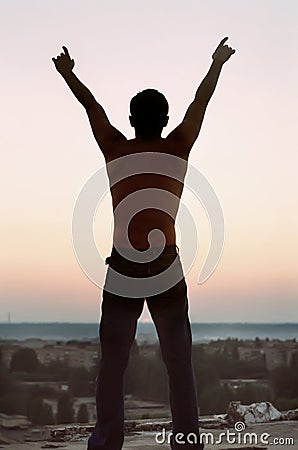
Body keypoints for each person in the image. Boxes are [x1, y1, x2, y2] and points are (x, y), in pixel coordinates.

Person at [52, 37, 235, 450]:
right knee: (178, 364)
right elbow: (199, 105)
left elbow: (92, 107)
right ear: (165, 118)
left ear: (131, 120)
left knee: (113, 365)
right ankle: (187, 442)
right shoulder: (178, 147)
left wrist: (69, 74)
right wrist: (217, 63)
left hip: (123, 270)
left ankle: (106, 442)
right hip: (166, 268)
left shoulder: (116, 148)